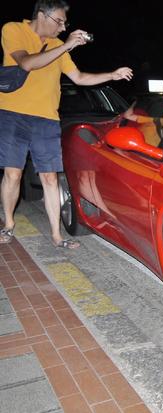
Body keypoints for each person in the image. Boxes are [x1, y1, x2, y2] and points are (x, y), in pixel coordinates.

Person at [0, 0, 133, 247]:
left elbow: (79, 77)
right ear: (42, 15)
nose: (62, 28)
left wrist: (111, 75)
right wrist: (67, 45)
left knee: (51, 178)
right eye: (59, 21)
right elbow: (27, 63)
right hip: (12, 114)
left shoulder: (58, 46)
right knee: (13, 174)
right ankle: (8, 224)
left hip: (47, 118)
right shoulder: (13, 30)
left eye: (64, 23)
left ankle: (56, 235)